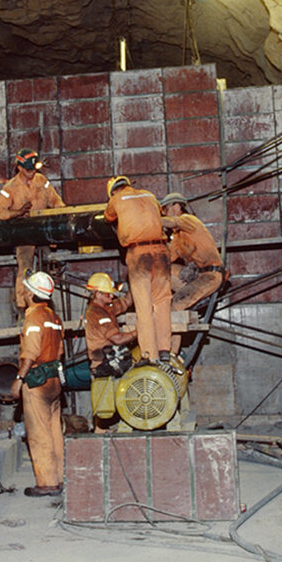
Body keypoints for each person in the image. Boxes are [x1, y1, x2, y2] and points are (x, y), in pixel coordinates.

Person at [103, 175, 179, 375]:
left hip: (139, 255)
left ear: (113, 190)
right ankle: (165, 351)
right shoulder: (149, 195)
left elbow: (108, 217)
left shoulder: (117, 199)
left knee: (143, 307)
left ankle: (149, 355)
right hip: (162, 252)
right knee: (163, 302)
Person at [8, 271, 65, 497]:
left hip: (37, 382)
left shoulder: (34, 318)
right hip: (54, 380)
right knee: (54, 432)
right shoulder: (55, 317)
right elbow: (60, 352)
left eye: (26, 289)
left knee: (39, 434)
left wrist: (18, 380)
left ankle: (47, 483)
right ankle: (59, 477)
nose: (23, 291)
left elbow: (30, 353)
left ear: (32, 293)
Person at [0, 148, 64, 311]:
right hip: (24, 233)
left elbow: (56, 201)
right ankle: (23, 304)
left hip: (44, 229)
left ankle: (46, 299)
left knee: (51, 261)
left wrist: (59, 222)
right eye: (28, 169)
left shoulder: (42, 180)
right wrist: (17, 213)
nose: (31, 172)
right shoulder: (10, 187)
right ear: (20, 168)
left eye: (33, 169)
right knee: (25, 266)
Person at [160, 193, 228, 354]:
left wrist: (148, 220)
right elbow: (166, 259)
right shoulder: (177, 237)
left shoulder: (189, 220)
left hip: (210, 276)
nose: (163, 213)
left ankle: (170, 356)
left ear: (177, 206)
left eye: (165, 209)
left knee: (175, 306)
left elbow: (171, 221)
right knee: (160, 269)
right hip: (197, 276)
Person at [83, 272, 134, 433]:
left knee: (110, 402)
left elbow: (125, 302)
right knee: (105, 405)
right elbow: (117, 339)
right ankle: (100, 433)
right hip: (103, 365)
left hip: (110, 360)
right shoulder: (96, 313)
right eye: (108, 294)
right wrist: (139, 331)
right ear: (97, 294)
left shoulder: (107, 307)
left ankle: (104, 430)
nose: (112, 297)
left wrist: (135, 280)